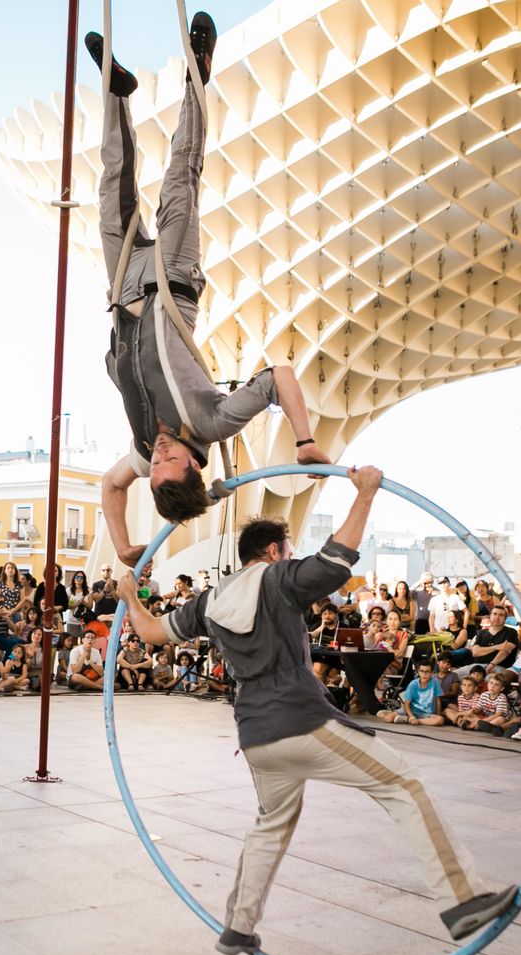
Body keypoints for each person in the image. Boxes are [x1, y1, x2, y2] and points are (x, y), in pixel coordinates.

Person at [115, 464, 516, 955]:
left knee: (271, 822)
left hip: (256, 737)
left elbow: (152, 632)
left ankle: (239, 925)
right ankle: (462, 899)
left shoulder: (208, 601)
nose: (292, 556)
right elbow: (336, 560)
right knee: (404, 785)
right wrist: (365, 493)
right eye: (287, 550)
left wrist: (130, 598)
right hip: (299, 721)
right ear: (273, 552)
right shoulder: (280, 578)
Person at [88, 16, 333, 566]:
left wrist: (126, 543)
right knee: (181, 175)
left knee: (112, 188)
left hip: (124, 291)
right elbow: (280, 378)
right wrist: (302, 440)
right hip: (172, 283)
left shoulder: (146, 446)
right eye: (168, 462)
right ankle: (200, 73)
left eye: (153, 466)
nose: (159, 457)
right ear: (195, 466)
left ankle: (116, 94)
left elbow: (110, 486)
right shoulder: (213, 423)